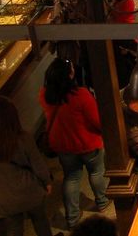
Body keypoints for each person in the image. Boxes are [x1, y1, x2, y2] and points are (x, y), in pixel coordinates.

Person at [39, 58, 109, 229]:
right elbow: (96, 120)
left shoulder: (45, 95)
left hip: (63, 145)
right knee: (97, 172)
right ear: (69, 75)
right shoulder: (81, 95)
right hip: (87, 142)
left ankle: (72, 216)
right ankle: (102, 201)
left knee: (71, 177)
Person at [0, 96, 54, 236]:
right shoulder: (23, 138)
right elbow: (38, 164)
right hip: (30, 191)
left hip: (4, 198)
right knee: (41, 222)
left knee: (14, 230)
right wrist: (47, 182)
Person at [50, 0, 88, 85]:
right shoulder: (81, 0)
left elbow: (58, 25)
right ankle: (83, 86)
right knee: (80, 66)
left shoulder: (60, 4)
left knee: (69, 68)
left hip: (68, 44)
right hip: (81, 40)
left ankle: (73, 89)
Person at [103, 0, 137, 86]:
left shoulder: (123, 0)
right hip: (126, 33)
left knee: (128, 63)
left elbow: (117, 19)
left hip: (124, 35)